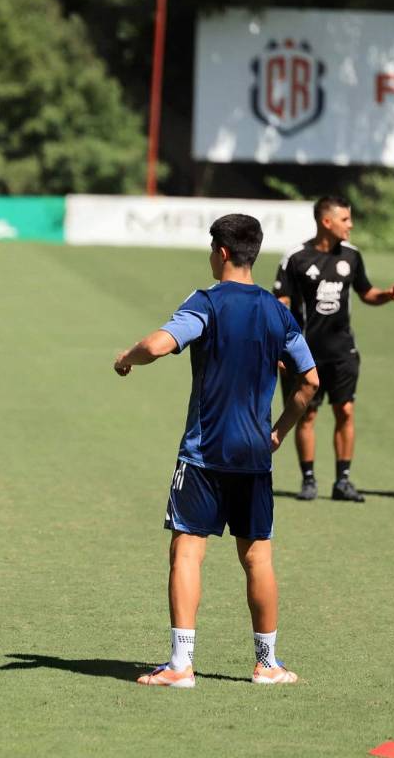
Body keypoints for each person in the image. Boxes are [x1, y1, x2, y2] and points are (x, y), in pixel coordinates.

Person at [114, 213, 320, 688]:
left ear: (222, 253)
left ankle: (180, 665)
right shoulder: (278, 313)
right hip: (254, 455)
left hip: (203, 453)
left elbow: (158, 345)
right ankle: (267, 664)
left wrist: (127, 358)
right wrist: (279, 431)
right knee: (258, 558)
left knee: (187, 552)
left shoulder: (205, 302)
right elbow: (309, 382)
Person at [273, 195, 394, 502]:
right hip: (304, 353)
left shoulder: (352, 256)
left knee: (345, 410)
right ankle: (308, 480)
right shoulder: (296, 257)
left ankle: (342, 481)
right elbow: (280, 303)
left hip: (343, 351)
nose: (351, 225)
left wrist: (387, 294)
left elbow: (366, 293)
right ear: (326, 221)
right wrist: (279, 346)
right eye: (345, 219)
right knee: (307, 415)